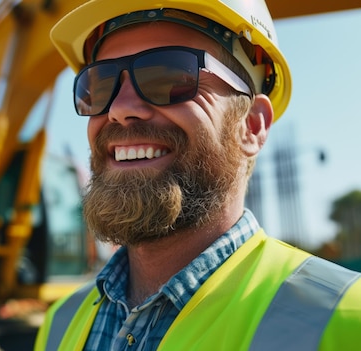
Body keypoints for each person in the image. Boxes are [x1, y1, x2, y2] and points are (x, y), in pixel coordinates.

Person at [34, 0, 361, 350]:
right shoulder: (60, 322)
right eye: (99, 86)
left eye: (170, 76)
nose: (119, 109)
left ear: (251, 126)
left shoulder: (344, 318)